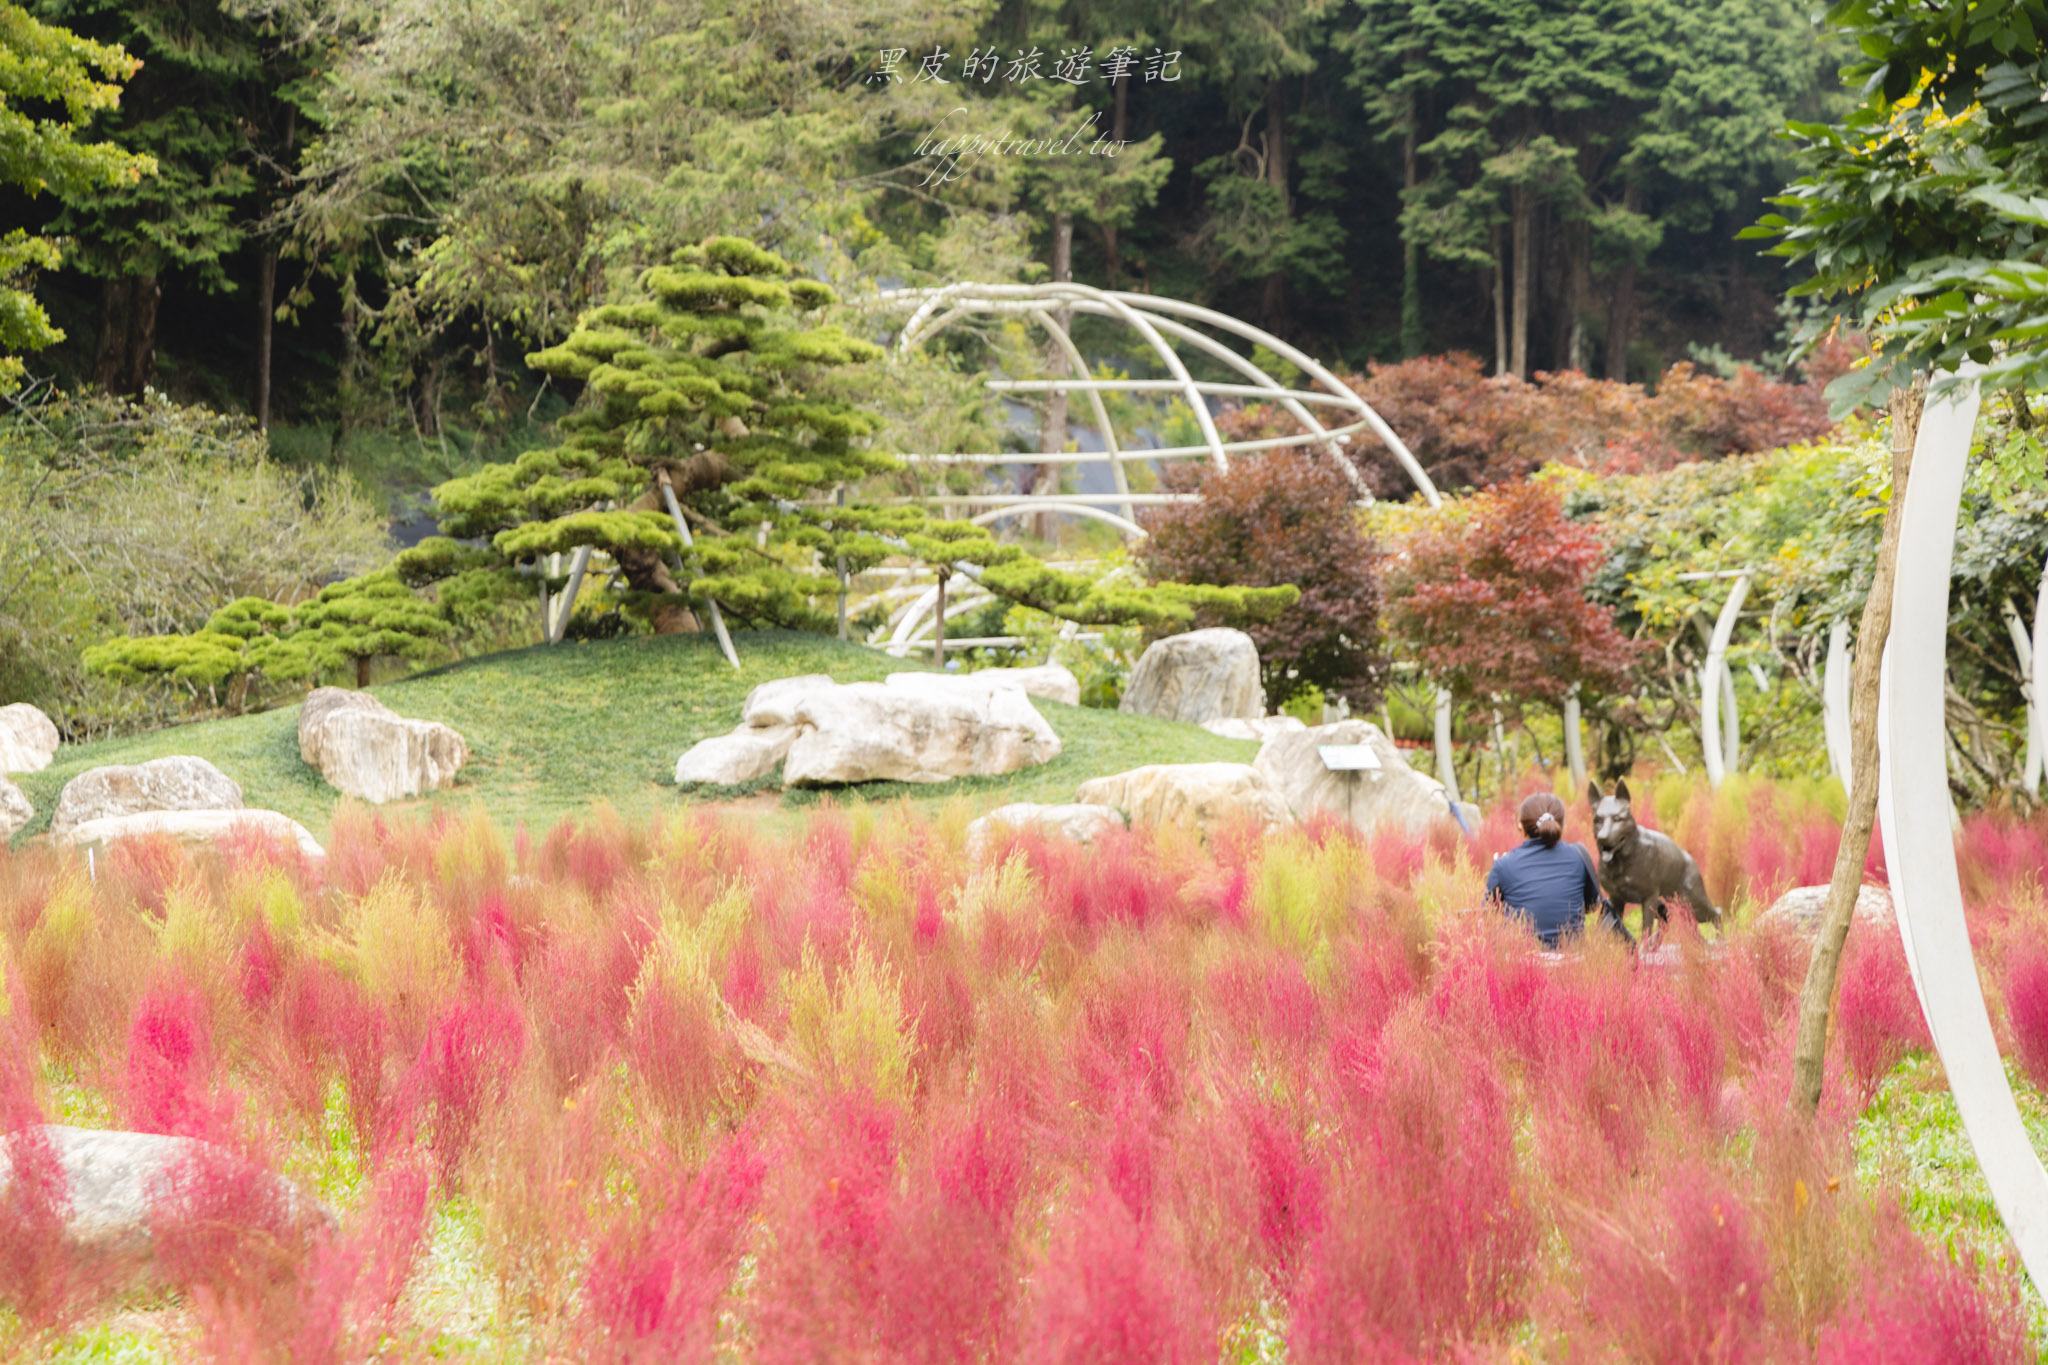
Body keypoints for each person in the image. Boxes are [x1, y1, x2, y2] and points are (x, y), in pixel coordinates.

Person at [1483, 792, 1612, 949]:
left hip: (1523, 961)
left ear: (1520, 826)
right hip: (1574, 959)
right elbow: (1592, 905)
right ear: (1561, 825)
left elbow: (1488, 914)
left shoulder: (1503, 864)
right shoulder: (1578, 855)